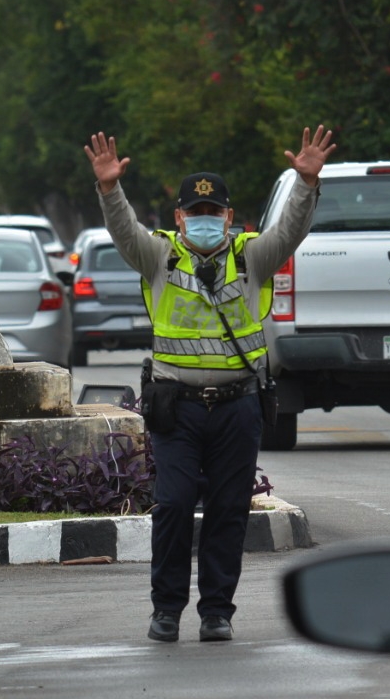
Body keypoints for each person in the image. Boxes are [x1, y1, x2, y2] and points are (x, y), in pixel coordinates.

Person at [84, 126, 336, 643]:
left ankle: (217, 611)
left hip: (238, 407)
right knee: (173, 505)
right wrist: (111, 190)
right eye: (194, 214)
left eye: (213, 213)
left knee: (228, 512)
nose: (204, 221)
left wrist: (307, 184)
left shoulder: (252, 257)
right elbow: (124, 231)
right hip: (176, 409)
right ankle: (167, 610)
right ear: (179, 217)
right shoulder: (159, 256)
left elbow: (290, 231)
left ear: (228, 215)